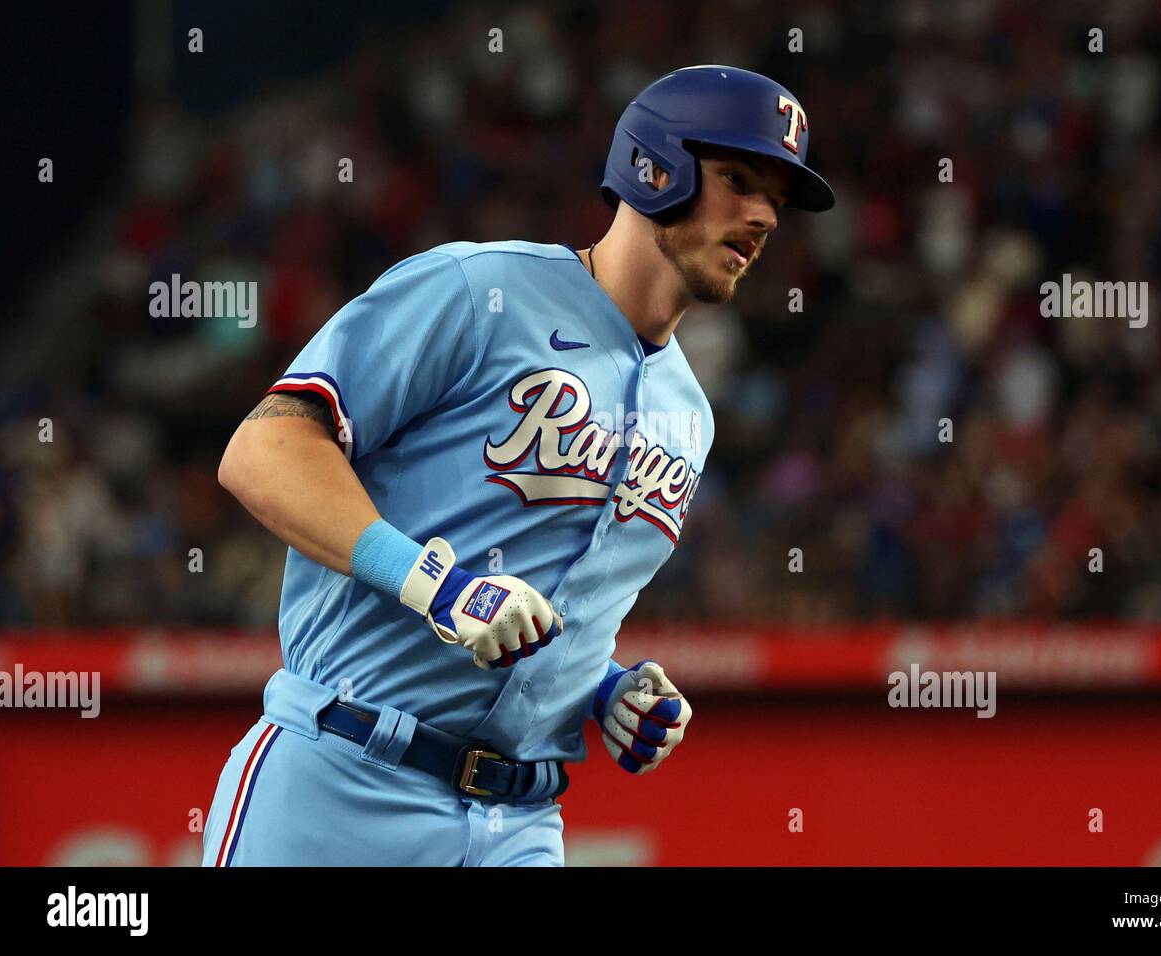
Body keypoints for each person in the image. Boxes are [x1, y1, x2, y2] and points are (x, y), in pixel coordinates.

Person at [201, 64, 834, 866]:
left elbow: (547, 600)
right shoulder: (481, 288)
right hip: (345, 776)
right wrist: (437, 585)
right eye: (739, 179)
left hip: (519, 821)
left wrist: (603, 689)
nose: (762, 216)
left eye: (777, 198)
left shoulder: (693, 418)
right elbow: (262, 450)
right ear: (654, 166)